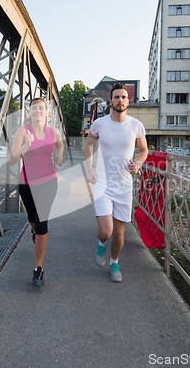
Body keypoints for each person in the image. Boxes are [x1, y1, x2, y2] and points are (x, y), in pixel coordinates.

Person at [84, 82, 148, 282]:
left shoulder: (136, 125)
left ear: (128, 101)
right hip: (103, 183)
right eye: (116, 97)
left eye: (123, 97)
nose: (120, 100)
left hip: (124, 186)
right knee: (106, 231)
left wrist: (137, 164)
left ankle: (114, 263)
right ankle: (101, 243)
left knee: (119, 235)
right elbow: (87, 146)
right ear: (110, 101)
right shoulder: (100, 124)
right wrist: (89, 170)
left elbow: (144, 150)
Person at [9, 98, 64, 286]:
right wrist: (26, 145)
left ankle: (38, 268)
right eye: (34, 108)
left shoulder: (53, 132)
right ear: (29, 112)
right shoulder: (23, 132)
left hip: (49, 181)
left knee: (41, 223)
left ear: (46, 112)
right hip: (27, 184)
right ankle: (35, 231)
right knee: (32, 219)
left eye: (41, 108)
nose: (38, 111)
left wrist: (58, 155)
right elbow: (11, 160)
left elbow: (59, 144)